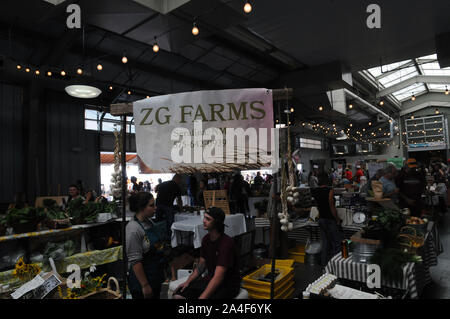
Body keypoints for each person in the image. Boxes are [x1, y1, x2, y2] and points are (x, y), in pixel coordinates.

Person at [173, 207, 241, 299]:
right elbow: (200, 267)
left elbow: (218, 277)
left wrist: (202, 297)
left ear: (217, 223)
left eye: (208, 219)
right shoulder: (206, 239)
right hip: (210, 279)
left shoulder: (226, 244)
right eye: (204, 217)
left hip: (228, 285)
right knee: (178, 295)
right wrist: (188, 281)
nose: (204, 221)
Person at [126, 192, 166, 299]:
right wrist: (145, 285)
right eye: (151, 205)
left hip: (154, 277)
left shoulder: (149, 222)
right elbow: (135, 261)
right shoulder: (133, 229)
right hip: (142, 283)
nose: (155, 207)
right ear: (141, 207)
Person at [310, 172, 343, 268]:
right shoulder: (329, 190)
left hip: (321, 219)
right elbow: (332, 206)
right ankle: (335, 265)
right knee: (337, 243)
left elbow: (316, 205)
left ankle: (324, 265)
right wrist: (337, 219)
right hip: (330, 219)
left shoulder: (315, 191)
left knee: (325, 243)